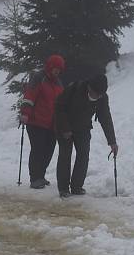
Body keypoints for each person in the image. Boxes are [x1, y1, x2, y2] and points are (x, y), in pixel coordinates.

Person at [54, 73, 118, 198]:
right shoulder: (74, 89)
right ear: (89, 87)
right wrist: (65, 129)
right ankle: (63, 188)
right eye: (95, 93)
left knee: (83, 155)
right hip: (64, 125)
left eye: (100, 94)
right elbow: (59, 108)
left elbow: (105, 118)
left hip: (83, 127)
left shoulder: (102, 98)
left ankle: (76, 187)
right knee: (65, 155)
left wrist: (112, 141)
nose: (97, 96)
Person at [19, 54, 65, 189]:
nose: (57, 71)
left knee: (49, 150)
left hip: (51, 124)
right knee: (38, 149)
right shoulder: (39, 78)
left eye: (59, 69)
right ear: (50, 67)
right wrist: (25, 113)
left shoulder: (58, 83)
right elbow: (29, 95)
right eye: (55, 68)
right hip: (36, 122)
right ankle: (35, 178)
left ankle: (41, 175)